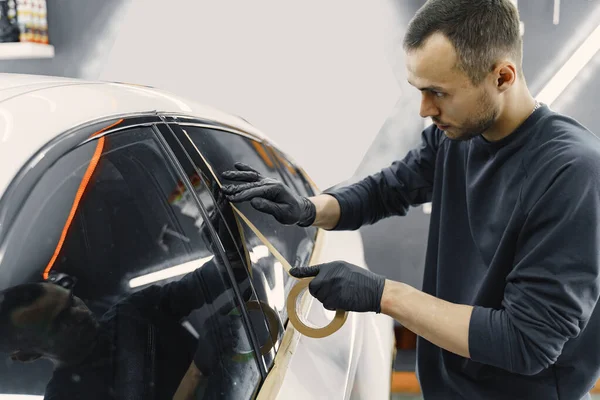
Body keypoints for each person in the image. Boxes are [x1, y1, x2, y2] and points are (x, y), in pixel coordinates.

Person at [220, 0, 600, 399]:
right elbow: (393, 187)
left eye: (438, 92)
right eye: (420, 90)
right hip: (447, 387)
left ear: (502, 76)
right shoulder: (457, 134)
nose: (425, 109)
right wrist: (310, 208)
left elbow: (527, 343)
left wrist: (383, 294)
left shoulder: (574, 174)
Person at [0, 189, 241, 400]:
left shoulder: (130, 313)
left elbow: (204, 282)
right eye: (60, 323)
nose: (80, 314)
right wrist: (197, 370)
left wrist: (225, 249)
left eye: (72, 301)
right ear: (27, 355)